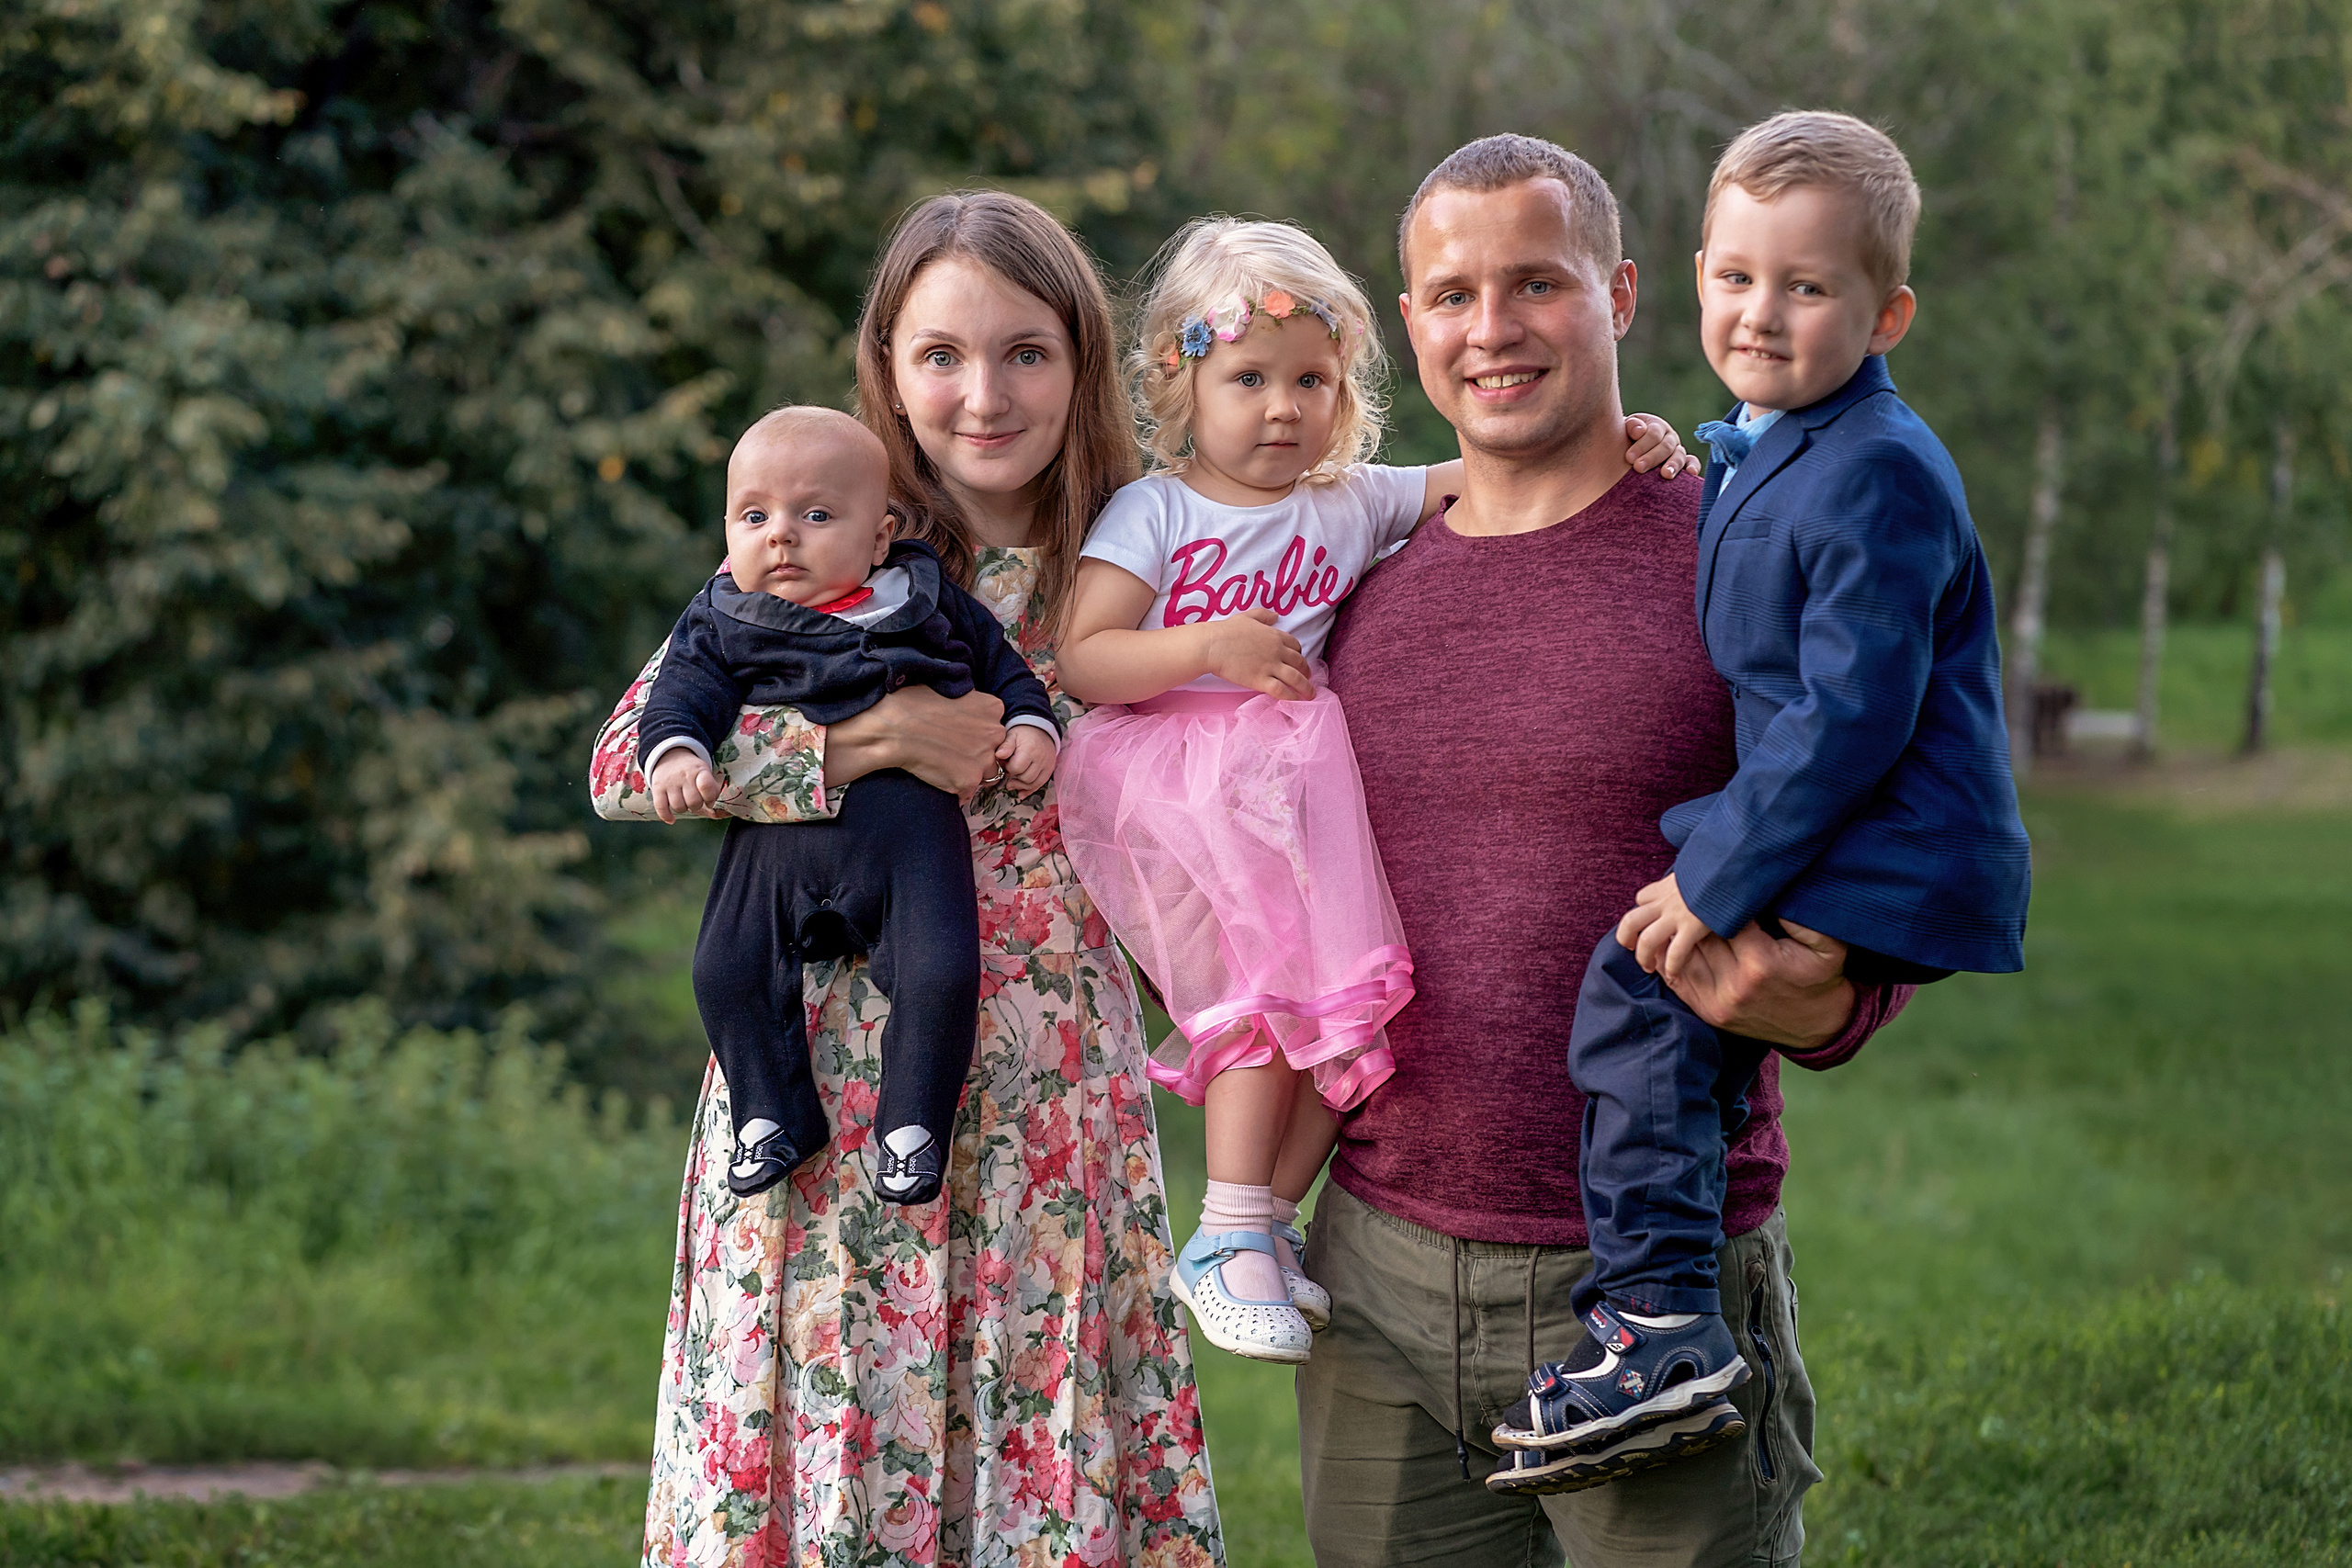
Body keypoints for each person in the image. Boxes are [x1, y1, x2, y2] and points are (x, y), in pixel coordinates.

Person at [1300, 133, 1913, 1567]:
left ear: (1626, 292)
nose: (1492, 328)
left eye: (1537, 282)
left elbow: (1886, 797)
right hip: (1378, 1273)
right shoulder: (1354, 579)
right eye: (1451, 295)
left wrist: (1833, 999)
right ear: (1410, 325)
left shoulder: (1739, 549)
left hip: (1651, 1280)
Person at [590, 193, 1223, 1568]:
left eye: (1025, 352)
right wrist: (853, 743)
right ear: (886, 367)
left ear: (1080, 363)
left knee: (1036, 1452)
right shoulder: (827, 543)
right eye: (939, 354)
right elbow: (622, 761)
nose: (981, 394)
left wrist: (1615, 452)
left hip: (1052, 1079)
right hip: (828, 1068)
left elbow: (1342, 528)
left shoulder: (1153, 550)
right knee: (834, 1440)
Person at [1494, 111, 2031, 1494]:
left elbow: (1850, 718)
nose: (1762, 313)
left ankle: (1665, 1321)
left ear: (1887, 308)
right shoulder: (1783, 435)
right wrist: (1693, 448)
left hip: (1888, 835)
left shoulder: (1886, 468)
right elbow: (1752, 485)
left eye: (1805, 287)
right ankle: (1660, 1300)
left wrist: (1714, 877)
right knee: (1672, 1030)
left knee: (1639, 985)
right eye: (1736, 278)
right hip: (1841, 818)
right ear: (1691, 278)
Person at [1055, 217, 1692, 1368]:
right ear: (1178, 378)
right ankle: (1224, 1225)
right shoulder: (1154, 510)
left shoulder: (1349, 500)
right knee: (1258, 1007)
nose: (1283, 408)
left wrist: (1634, 433)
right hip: (1186, 785)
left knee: (1349, 1012)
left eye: (1312, 379)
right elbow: (1085, 659)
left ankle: (1270, 1227)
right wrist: (1206, 648)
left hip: (1300, 803)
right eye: (1248, 379)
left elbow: (1499, 461)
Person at [635, 405, 1061, 1203]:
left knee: (940, 970)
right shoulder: (727, 612)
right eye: (753, 515)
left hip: (909, 836)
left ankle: (912, 1127)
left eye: (816, 515)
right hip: (774, 853)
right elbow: (676, 697)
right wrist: (680, 751)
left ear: (879, 535)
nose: (781, 535)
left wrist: (1032, 724)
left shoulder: (922, 598)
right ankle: (770, 1113)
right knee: (723, 969)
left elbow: (1004, 668)